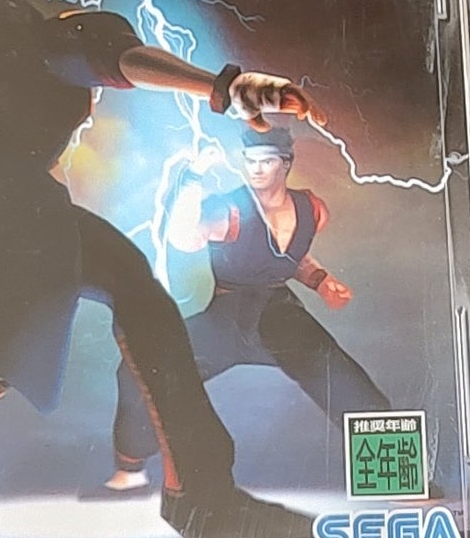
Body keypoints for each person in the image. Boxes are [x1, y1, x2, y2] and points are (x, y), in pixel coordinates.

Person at [0, 0, 318, 538]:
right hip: (17, 208)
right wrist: (221, 87)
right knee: (125, 298)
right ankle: (203, 498)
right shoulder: (45, 39)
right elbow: (119, 60)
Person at [101, 125, 391, 494]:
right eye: (250, 161)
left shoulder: (313, 209)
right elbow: (184, 238)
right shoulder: (229, 209)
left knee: (340, 375)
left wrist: (320, 280)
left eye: (266, 161)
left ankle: (392, 473)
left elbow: (291, 256)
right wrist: (193, 179)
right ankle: (130, 465)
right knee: (140, 366)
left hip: (278, 314)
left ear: (285, 164)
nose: (256, 169)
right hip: (227, 315)